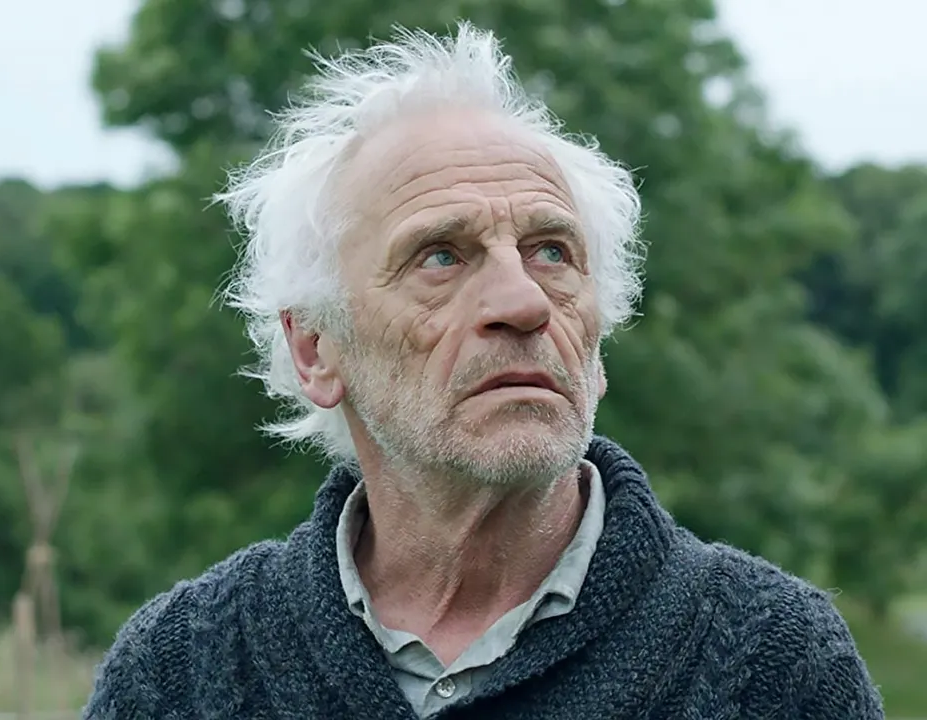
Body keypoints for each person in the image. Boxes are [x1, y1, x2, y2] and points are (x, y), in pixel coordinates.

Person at [82, 22, 883, 720]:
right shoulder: (182, 670)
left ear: (597, 339)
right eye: (441, 256)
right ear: (315, 349)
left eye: (552, 252)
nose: (524, 303)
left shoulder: (774, 663)